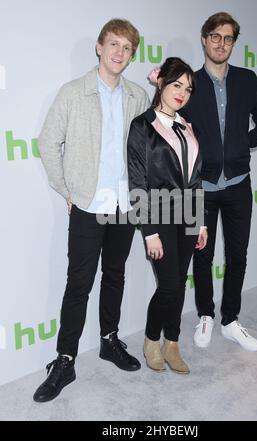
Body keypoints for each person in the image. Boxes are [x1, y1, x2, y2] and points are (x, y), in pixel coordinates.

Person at [33, 18, 150, 403]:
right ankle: (64, 359)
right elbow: (48, 142)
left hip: (123, 206)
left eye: (127, 47)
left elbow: (149, 148)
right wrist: (67, 190)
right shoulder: (73, 93)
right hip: (88, 205)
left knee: (114, 275)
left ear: (132, 54)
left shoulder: (137, 96)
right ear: (99, 47)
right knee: (78, 283)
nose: (119, 52)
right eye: (113, 44)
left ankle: (109, 340)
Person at [181, 12, 257, 351]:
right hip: (201, 189)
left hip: (238, 184)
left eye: (228, 38)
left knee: (238, 255)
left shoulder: (247, 79)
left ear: (234, 43)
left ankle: (230, 320)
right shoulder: (188, 83)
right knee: (202, 256)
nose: (221, 43)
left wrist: (239, 143)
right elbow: (173, 132)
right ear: (205, 39)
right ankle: (205, 315)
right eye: (215, 37)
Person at [127, 57, 208, 374]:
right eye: (177, 84)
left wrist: (200, 220)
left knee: (178, 282)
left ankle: (171, 342)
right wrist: (149, 232)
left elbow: (196, 178)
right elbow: (137, 183)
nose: (182, 93)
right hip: (159, 216)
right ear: (161, 82)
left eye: (188, 88)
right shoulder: (142, 126)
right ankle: (151, 340)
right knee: (169, 286)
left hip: (188, 215)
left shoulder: (188, 126)